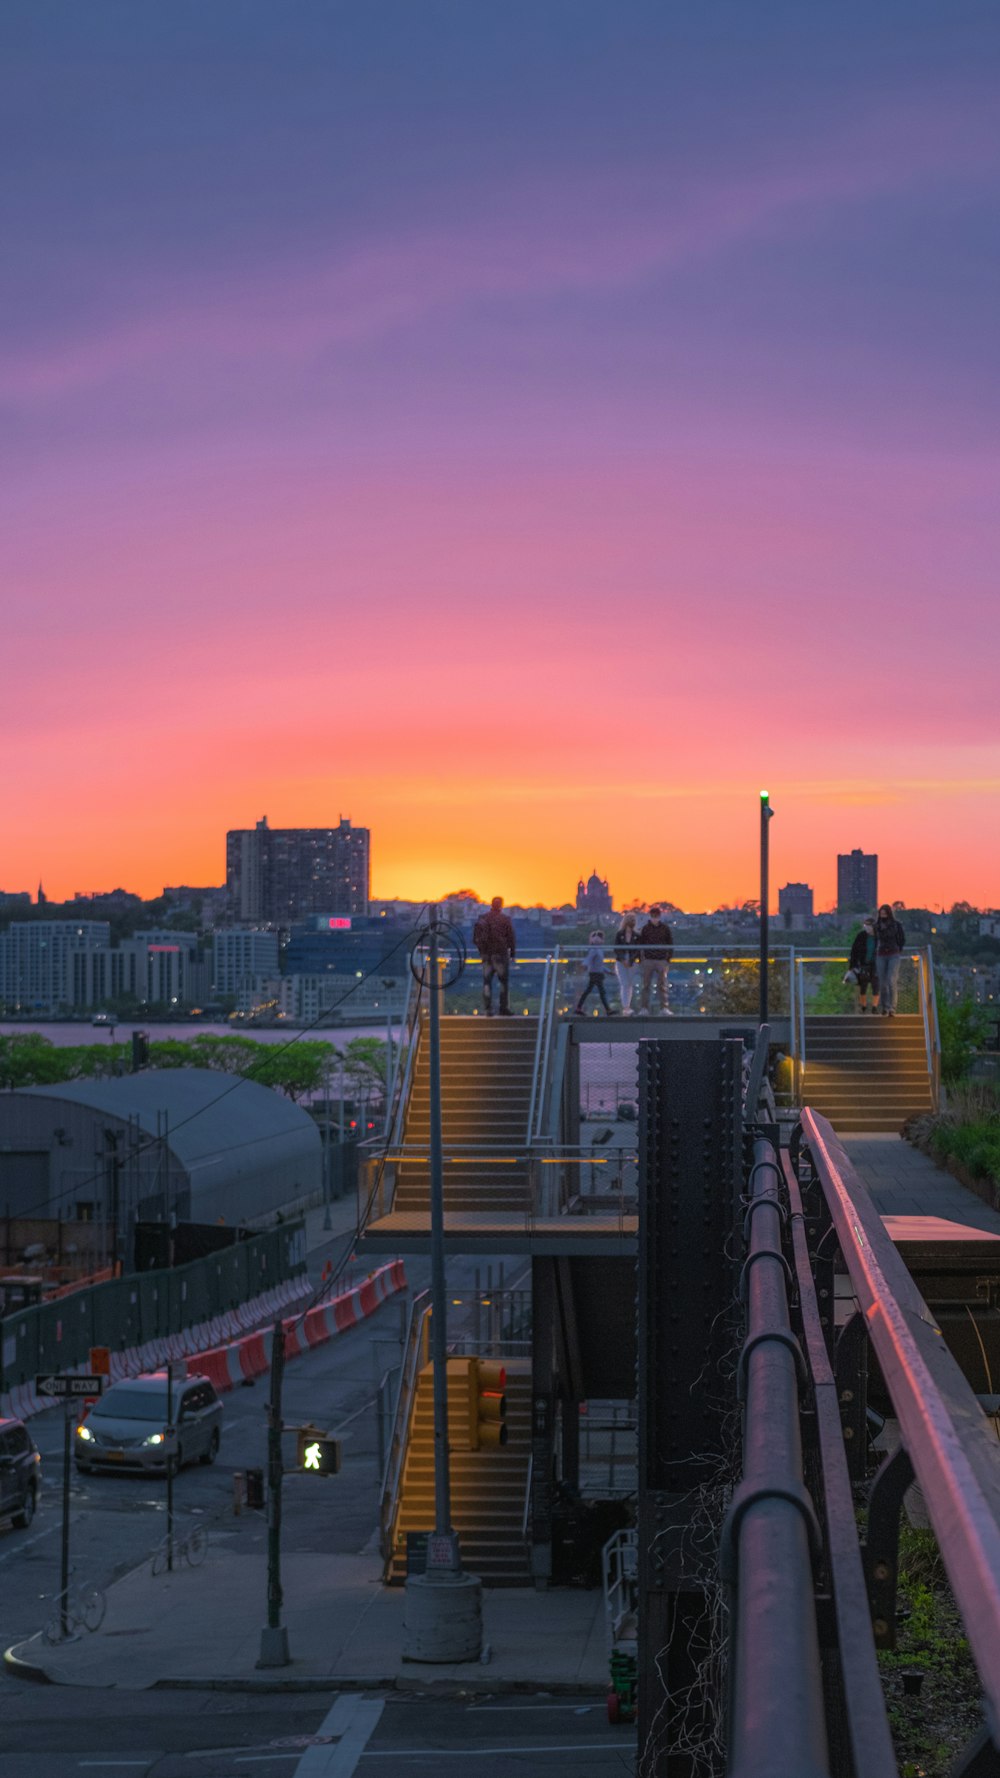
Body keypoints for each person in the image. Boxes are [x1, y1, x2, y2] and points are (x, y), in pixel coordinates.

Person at [473, 895, 517, 1016]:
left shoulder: (483, 918)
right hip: (501, 954)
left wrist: (482, 953)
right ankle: (503, 1008)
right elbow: (511, 937)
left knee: (487, 982)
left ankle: (488, 1009)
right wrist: (512, 953)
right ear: (501, 905)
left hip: (486, 956)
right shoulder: (505, 919)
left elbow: (476, 938)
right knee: (503, 982)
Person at [638, 906, 674, 1014]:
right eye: (653, 916)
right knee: (646, 985)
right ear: (650, 916)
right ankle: (644, 1008)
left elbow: (670, 943)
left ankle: (664, 1008)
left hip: (661, 960)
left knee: (662, 984)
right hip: (648, 959)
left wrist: (667, 959)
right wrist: (641, 959)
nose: (655, 918)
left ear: (659, 916)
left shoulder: (665, 929)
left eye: (656, 916)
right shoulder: (646, 929)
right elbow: (641, 944)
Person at [874, 904, 906, 1017]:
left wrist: (898, 949)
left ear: (889, 914)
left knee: (891, 980)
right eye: (881, 914)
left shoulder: (896, 925)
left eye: (885, 914)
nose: (883, 916)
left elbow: (902, 939)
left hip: (893, 954)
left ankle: (892, 1008)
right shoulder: (877, 926)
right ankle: (885, 1007)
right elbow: (875, 939)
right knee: (882, 982)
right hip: (881, 954)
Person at [576, 930, 613, 1016]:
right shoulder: (595, 950)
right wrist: (584, 965)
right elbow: (589, 959)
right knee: (601, 992)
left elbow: (599, 964)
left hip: (597, 973)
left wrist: (608, 971)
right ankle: (608, 1010)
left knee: (589, 991)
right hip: (595, 974)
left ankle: (579, 1007)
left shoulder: (599, 950)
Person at [849, 917, 880, 1013]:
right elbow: (854, 951)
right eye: (865, 925)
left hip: (876, 965)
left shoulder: (879, 937)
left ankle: (874, 1007)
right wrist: (852, 965)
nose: (866, 927)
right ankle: (863, 1006)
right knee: (863, 986)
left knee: (876, 986)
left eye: (868, 925)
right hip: (863, 964)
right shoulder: (861, 936)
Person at [613, 914, 641, 1015]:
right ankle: (625, 1007)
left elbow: (638, 950)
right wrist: (623, 960)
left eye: (633, 920)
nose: (632, 922)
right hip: (621, 961)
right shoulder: (620, 934)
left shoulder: (637, 936)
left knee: (629, 984)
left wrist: (631, 960)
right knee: (624, 983)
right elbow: (616, 948)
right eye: (630, 920)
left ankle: (627, 1006)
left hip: (632, 961)